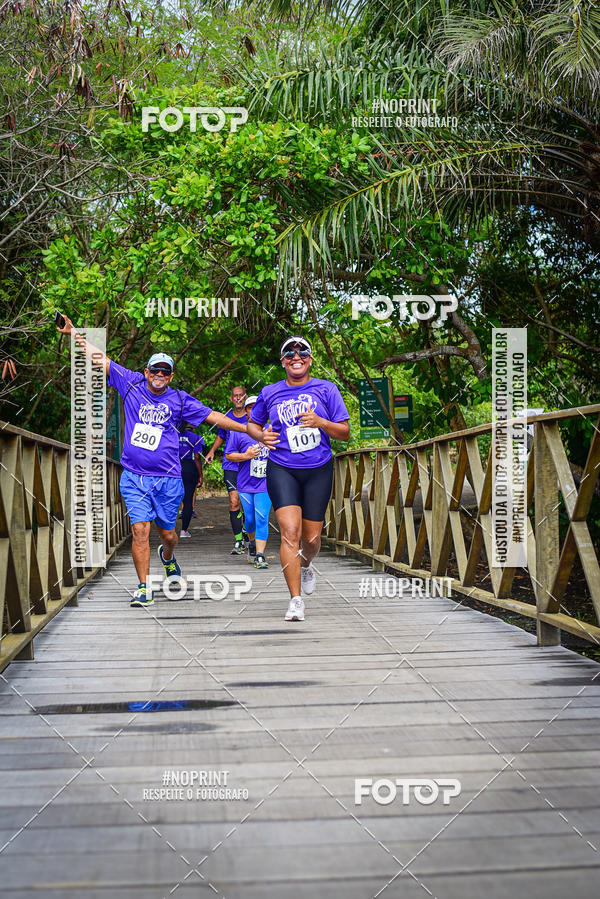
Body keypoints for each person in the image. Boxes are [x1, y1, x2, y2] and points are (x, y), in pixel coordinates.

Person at [56, 314, 247, 607]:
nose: (159, 374)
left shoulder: (180, 400)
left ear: (170, 376)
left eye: (165, 371)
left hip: (168, 479)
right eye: (155, 370)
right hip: (134, 476)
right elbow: (101, 360)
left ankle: (168, 557)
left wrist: (250, 429)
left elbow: (213, 416)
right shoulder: (131, 384)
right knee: (140, 529)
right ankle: (144, 588)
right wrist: (73, 334)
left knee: (168, 534)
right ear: (146, 372)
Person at [247, 336, 350, 621]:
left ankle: (306, 565)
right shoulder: (270, 392)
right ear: (283, 361)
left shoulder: (326, 389)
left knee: (312, 538)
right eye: (289, 354)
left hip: (318, 468)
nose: (296, 356)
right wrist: (260, 435)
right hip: (282, 467)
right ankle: (295, 600)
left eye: (302, 352)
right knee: (290, 532)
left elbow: (344, 432)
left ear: (310, 359)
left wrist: (322, 423)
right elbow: (253, 424)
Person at [225, 395, 272, 568]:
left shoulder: (272, 430)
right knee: (250, 519)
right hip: (245, 484)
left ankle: (260, 555)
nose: (254, 410)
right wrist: (246, 455)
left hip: (265, 484)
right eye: (250, 407)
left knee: (261, 517)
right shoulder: (238, 432)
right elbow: (229, 454)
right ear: (246, 411)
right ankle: (251, 542)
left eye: (256, 407)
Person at [204, 385, 248, 554]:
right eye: (235, 396)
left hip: (249, 464)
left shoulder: (252, 416)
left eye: (241, 395)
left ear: (245, 397)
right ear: (231, 399)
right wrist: (212, 451)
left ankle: (248, 532)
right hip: (231, 465)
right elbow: (221, 436)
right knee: (234, 500)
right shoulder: (226, 417)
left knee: (248, 503)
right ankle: (238, 541)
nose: (238, 398)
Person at [178, 423, 205, 537]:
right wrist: (200, 475)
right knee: (188, 499)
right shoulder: (195, 437)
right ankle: (184, 530)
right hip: (188, 467)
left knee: (169, 497)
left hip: (172, 467)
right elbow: (197, 457)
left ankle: (166, 530)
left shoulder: (171, 435)